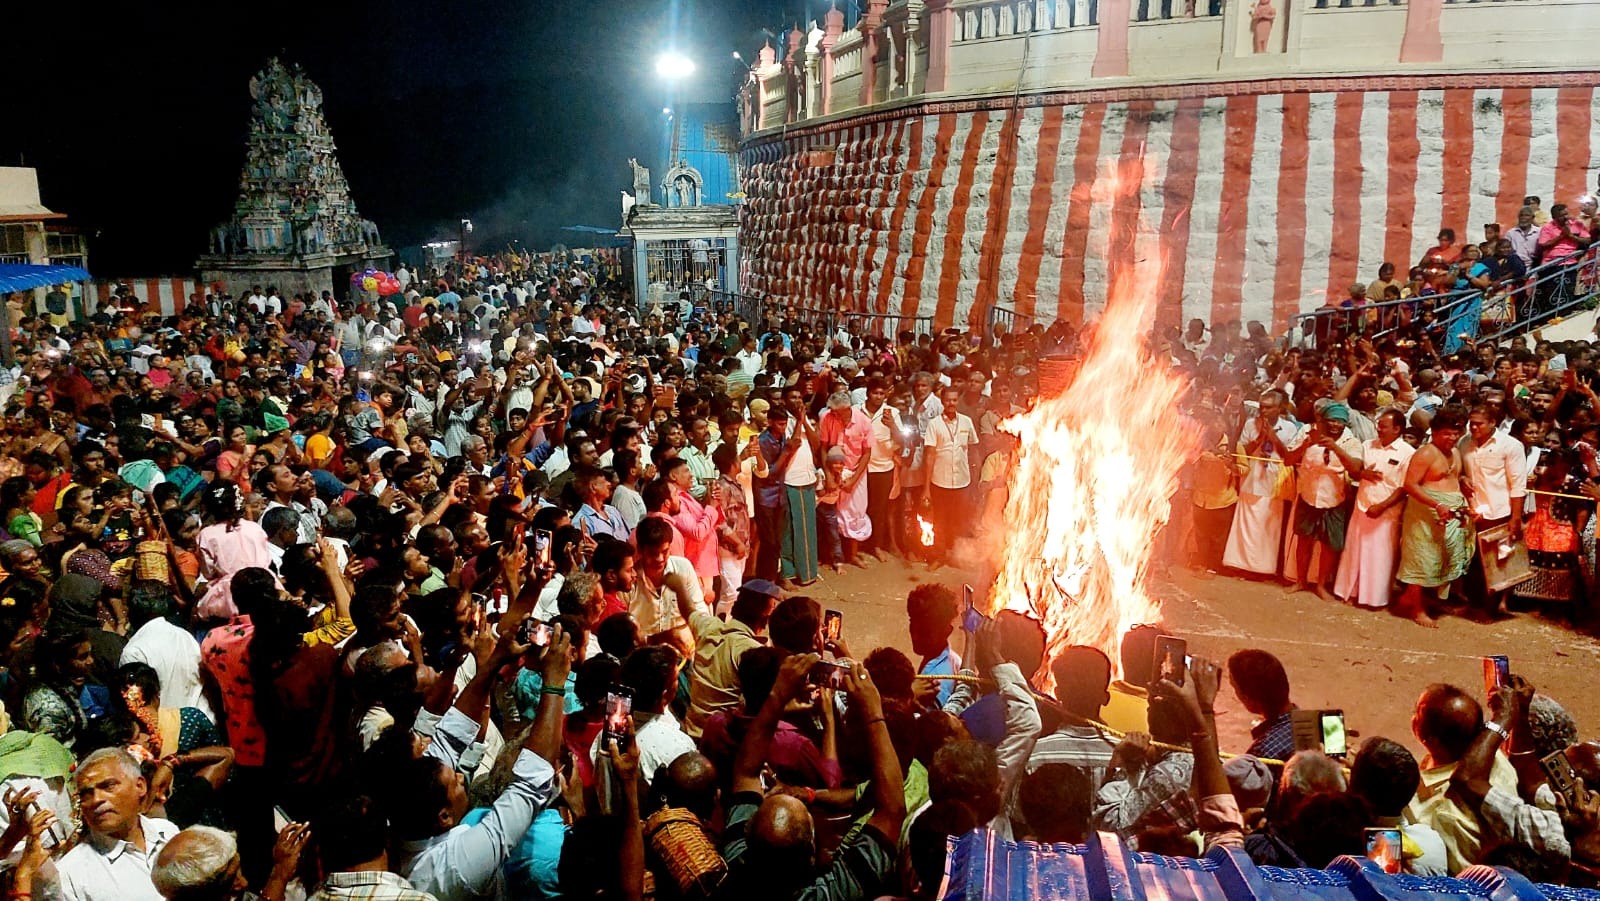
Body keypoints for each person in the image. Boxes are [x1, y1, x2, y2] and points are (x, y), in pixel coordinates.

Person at [57, 747, 182, 901]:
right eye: (86, 794)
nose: (96, 800)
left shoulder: (168, 833)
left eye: (108, 786)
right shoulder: (70, 873)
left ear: (140, 786)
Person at [1395, 404, 1473, 627]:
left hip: (1450, 513)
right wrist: (1436, 504)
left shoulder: (1455, 452)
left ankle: (1411, 599)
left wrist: (1463, 481)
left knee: (1442, 561)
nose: (1452, 437)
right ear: (1435, 432)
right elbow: (1409, 484)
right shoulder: (1426, 452)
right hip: (1424, 513)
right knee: (1421, 561)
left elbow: (1451, 478)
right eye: (1447, 433)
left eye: (1456, 433)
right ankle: (1417, 609)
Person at [1334, 409, 1414, 608]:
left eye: (1383, 426)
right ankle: (1349, 592)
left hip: (1386, 512)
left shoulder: (1408, 453)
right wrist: (1362, 473)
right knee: (1354, 551)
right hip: (1362, 505)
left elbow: (1404, 487)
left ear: (1397, 429)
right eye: (1378, 425)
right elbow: (1355, 471)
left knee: (1379, 556)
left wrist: (1382, 506)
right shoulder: (1367, 445)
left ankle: (1373, 599)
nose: (1379, 429)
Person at [1224, 391, 1305, 577]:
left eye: (1268, 407)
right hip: (1252, 479)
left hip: (1273, 482)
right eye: (1261, 406)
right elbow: (1243, 451)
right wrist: (1260, 438)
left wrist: (1273, 438)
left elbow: (1289, 457)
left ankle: (1263, 569)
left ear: (1280, 409)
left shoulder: (1290, 428)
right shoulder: (1251, 424)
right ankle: (1239, 565)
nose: (1263, 410)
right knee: (1246, 524)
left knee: (1269, 526)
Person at [920, 385, 978, 570]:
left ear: (958, 401)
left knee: (958, 521)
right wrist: (926, 488)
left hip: (962, 481)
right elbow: (929, 455)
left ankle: (955, 555)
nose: (951, 403)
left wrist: (976, 479)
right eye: (947, 400)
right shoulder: (934, 424)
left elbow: (973, 450)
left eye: (954, 400)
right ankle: (939, 556)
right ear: (942, 402)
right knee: (940, 522)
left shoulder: (967, 422)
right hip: (940, 481)